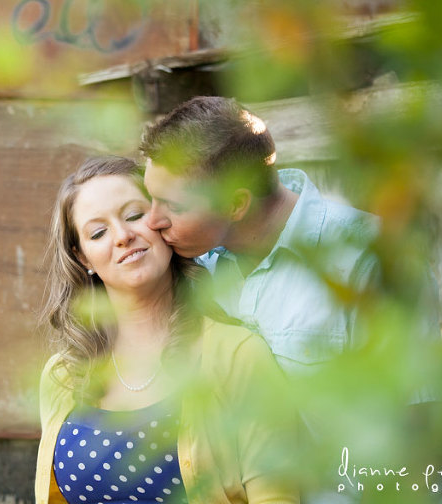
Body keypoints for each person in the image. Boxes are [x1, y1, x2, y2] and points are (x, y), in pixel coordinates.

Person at [140, 96, 442, 503]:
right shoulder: (188, 263)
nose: (152, 220)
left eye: (174, 205)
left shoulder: (371, 261)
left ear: (236, 204)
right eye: (149, 196)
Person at [36, 155, 298, 504]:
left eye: (134, 215)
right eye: (98, 232)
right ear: (83, 258)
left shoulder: (237, 355)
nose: (123, 236)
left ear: (163, 220)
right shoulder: (62, 375)